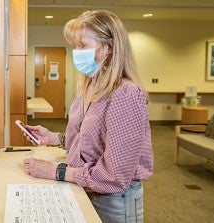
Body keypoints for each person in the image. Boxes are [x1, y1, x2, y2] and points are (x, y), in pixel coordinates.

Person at [21, 10, 153, 223]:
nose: (76, 52)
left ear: (108, 48)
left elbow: (115, 175)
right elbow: (92, 138)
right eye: (75, 46)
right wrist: (55, 138)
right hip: (84, 187)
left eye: (82, 46)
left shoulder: (125, 94)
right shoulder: (87, 85)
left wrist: (57, 172)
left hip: (112, 200)